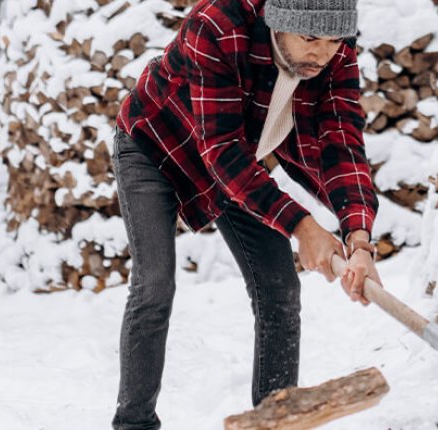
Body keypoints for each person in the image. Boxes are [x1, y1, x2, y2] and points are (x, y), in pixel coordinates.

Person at [109, 0, 381, 428]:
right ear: (280, 22)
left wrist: (360, 238)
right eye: (310, 39)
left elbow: (342, 142)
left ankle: (274, 420)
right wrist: (302, 225)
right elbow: (221, 152)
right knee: (154, 286)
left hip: (242, 158)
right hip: (158, 145)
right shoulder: (216, 25)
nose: (321, 54)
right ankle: (134, 423)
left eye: (333, 43)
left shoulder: (334, 52)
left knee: (279, 287)